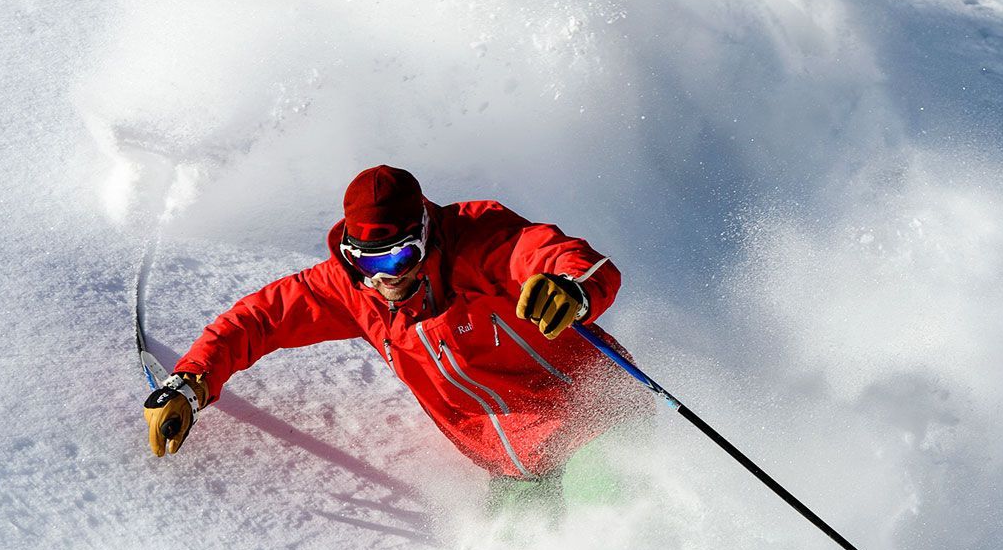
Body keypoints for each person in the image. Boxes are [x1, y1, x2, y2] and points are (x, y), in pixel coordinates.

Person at [143, 164, 652, 510]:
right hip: (517, 469)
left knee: (608, 515)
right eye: (367, 262)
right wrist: (192, 382)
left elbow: (554, 254)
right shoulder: (351, 291)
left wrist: (571, 286)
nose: (384, 277)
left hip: (598, 425)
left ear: (425, 234)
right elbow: (257, 320)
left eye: (398, 257)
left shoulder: (478, 241)